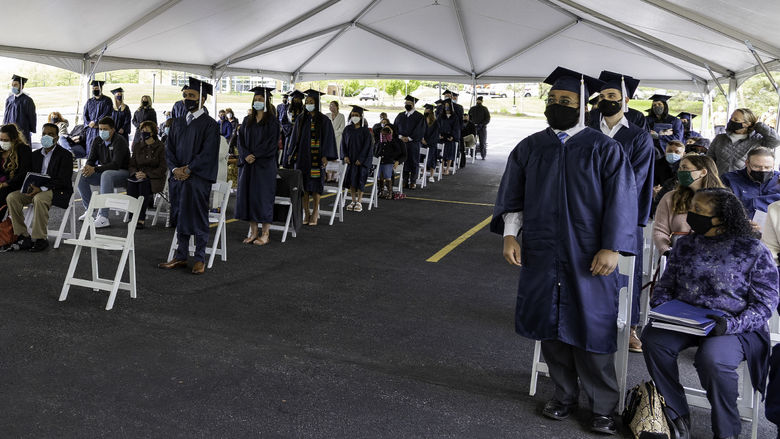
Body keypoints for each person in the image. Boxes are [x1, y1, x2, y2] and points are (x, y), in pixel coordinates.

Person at [493, 66, 637, 435]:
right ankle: (564, 396)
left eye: (567, 101)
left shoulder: (605, 148)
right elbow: (513, 196)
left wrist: (611, 247)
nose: (558, 105)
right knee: (551, 327)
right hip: (542, 249)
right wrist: (511, 235)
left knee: (593, 328)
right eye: (553, 100)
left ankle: (603, 407)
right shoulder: (530, 147)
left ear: (582, 105)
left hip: (589, 253)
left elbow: (621, 201)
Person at [642, 188, 779, 439]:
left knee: (713, 359)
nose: (690, 215)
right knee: (653, 339)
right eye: (691, 209)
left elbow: (765, 305)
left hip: (734, 324)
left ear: (721, 218)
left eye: (699, 212)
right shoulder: (685, 245)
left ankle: (726, 430)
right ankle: (676, 416)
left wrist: (730, 325)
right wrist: (664, 312)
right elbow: (664, 287)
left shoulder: (753, 251)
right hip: (686, 319)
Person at [589, 71, 655, 353]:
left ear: (625, 101)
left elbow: (635, 180)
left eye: (612, 97)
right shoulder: (587, 129)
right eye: (603, 97)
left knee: (628, 272)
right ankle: (591, 320)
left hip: (624, 214)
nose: (607, 101)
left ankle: (630, 327)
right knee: (589, 268)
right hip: (587, 212)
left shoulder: (639, 137)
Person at [158, 77, 219, 275]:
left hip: (198, 179)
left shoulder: (210, 125)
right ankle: (181, 255)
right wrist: (176, 169)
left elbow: (208, 153)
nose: (187, 99)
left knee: (198, 216)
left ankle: (200, 257)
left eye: (191, 96)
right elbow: (169, 148)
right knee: (180, 214)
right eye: (185, 96)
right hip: (178, 178)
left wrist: (189, 169)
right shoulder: (177, 122)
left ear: (203, 99)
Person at [5, 123, 73, 252]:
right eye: (44, 134)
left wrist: (41, 188)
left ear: (57, 138)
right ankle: (22, 235)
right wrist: (30, 186)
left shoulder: (65, 155)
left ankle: (40, 238)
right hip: (35, 189)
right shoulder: (35, 155)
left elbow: (63, 180)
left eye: (51, 134)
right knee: (12, 197)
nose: (46, 136)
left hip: (56, 190)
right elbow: (29, 174)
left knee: (40, 198)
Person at [235, 86, 280, 246]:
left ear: (266, 101)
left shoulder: (273, 122)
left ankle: (265, 233)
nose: (258, 102)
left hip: (264, 166)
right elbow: (239, 140)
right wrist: (245, 154)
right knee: (249, 197)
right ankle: (253, 232)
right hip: (248, 165)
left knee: (263, 198)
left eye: (261, 99)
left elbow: (272, 144)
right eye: (256, 99)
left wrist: (256, 155)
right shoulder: (247, 120)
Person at [286, 89, 337, 226]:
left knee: (315, 185)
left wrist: (326, 156)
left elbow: (328, 139)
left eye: (311, 102)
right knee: (303, 187)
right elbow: (294, 137)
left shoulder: (324, 120)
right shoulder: (301, 118)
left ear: (317, 103)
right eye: (307, 101)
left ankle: (315, 212)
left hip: (316, 158)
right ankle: (306, 212)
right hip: (302, 157)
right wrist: (291, 154)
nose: (308, 104)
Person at [653, 155, 723, 255]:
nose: (680, 172)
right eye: (680, 168)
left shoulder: (723, 200)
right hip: (677, 254)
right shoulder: (670, 198)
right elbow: (660, 231)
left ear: (703, 172)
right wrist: (666, 251)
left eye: (685, 168)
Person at [77, 117, 130, 228]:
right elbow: (91, 160)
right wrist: (87, 168)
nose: (102, 131)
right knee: (82, 176)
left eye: (105, 129)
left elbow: (116, 164)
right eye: (100, 129)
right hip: (106, 173)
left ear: (113, 130)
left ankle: (103, 217)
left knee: (106, 174)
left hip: (123, 173)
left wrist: (95, 169)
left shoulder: (119, 141)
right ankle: (90, 210)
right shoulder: (97, 140)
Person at [707, 108, 780, 176]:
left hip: (744, 184)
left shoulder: (758, 140)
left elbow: (776, 141)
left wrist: (759, 125)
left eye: (736, 120)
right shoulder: (720, 138)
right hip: (720, 181)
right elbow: (709, 159)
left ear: (747, 124)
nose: (731, 121)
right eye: (731, 118)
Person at [126, 121, 166, 230]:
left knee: (143, 185)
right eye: (142, 131)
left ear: (153, 132)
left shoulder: (160, 147)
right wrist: (136, 173)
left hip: (154, 177)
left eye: (146, 131)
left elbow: (162, 168)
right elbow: (132, 164)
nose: (143, 133)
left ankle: (141, 218)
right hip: (138, 175)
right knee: (131, 184)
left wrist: (146, 174)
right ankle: (132, 216)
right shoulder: (138, 146)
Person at [721, 147, 780, 218]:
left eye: (767, 167)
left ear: (773, 165)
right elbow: (722, 207)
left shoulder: (778, 180)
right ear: (747, 163)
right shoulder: (729, 180)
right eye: (756, 166)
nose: (762, 170)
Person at [341, 106, 373, 212]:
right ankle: (353, 201)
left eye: (357, 115)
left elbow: (367, 146)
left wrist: (361, 159)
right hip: (350, 159)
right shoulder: (347, 129)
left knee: (360, 180)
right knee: (351, 180)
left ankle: (359, 201)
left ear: (361, 117)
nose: (355, 117)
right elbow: (343, 144)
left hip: (361, 161)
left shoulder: (365, 131)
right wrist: (345, 156)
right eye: (353, 115)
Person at [394, 95, 425, 190]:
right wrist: (400, 137)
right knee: (404, 162)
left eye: (409, 104)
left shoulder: (419, 117)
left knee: (414, 161)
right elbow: (395, 127)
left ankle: (413, 181)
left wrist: (410, 138)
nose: (407, 105)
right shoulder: (400, 115)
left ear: (413, 105)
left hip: (413, 143)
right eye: (406, 103)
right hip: (401, 143)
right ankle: (404, 180)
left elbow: (420, 130)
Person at [0, 124, 32, 206]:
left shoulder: (23, 149)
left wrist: (5, 183)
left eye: (6, 140)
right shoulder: (1, 150)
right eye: (1, 140)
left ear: (14, 139)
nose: (3, 142)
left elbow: (24, 172)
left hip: (15, 184)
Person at [374, 123, 405, 199]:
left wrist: (397, 161)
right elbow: (375, 150)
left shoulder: (398, 141)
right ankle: (380, 190)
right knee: (379, 176)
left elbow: (403, 154)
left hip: (392, 162)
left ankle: (389, 192)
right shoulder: (380, 141)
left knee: (388, 174)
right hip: (381, 161)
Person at [82, 80, 113, 157]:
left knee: (101, 147)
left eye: (97, 88)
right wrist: (89, 123)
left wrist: (96, 122)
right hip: (91, 130)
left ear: (101, 89)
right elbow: (85, 114)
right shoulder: (89, 101)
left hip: (102, 129)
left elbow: (106, 113)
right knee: (90, 148)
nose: (95, 90)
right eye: (93, 89)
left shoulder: (107, 100)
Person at [3, 75, 36, 145]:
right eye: (12, 85)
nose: (13, 87)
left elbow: (32, 116)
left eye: (15, 85)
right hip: (10, 131)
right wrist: (4, 126)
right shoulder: (9, 99)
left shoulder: (27, 100)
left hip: (23, 130)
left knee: (23, 149)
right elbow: (6, 115)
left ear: (22, 86)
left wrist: (31, 129)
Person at [281, 90, 305, 168]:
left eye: (298, 99)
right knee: (289, 149)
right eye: (295, 99)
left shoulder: (304, 110)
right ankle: (287, 164)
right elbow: (283, 122)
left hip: (300, 134)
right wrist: (291, 128)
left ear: (301, 100)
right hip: (290, 134)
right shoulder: (288, 110)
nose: (296, 100)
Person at [437, 99, 459, 175]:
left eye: (448, 106)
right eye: (445, 106)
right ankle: (442, 168)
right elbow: (437, 126)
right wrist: (438, 134)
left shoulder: (454, 116)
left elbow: (456, 128)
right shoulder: (440, 116)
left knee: (449, 153)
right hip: (442, 137)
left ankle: (448, 168)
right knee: (442, 154)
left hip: (450, 137)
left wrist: (453, 136)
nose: (446, 107)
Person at [327, 101, 345, 183]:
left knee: (336, 157)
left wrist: (333, 133)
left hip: (338, 138)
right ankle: (329, 175)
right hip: (328, 139)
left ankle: (335, 175)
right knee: (329, 157)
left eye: (333, 106)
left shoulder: (341, 116)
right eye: (330, 106)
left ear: (337, 107)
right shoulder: (327, 115)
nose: (332, 107)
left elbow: (342, 128)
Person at [421, 104, 439, 183]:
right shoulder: (422, 120)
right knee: (421, 159)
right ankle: (422, 175)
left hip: (431, 144)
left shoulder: (435, 122)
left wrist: (427, 141)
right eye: (425, 110)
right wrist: (422, 138)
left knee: (431, 159)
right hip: (422, 143)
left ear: (431, 112)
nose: (426, 111)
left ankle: (431, 176)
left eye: (428, 110)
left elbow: (435, 134)